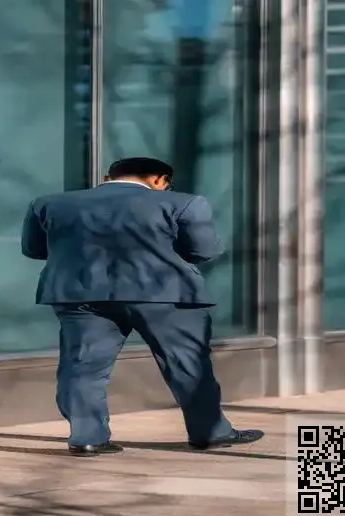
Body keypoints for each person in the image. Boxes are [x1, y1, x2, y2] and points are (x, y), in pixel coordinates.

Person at [21, 157, 264, 457]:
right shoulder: (184, 203)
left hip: (81, 294)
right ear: (158, 180)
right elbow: (204, 250)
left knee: (82, 367)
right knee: (187, 364)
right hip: (165, 293)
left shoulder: (48, 204)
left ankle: (87, 438)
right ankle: (210, 433)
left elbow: (34, 249)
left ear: (107, 178)